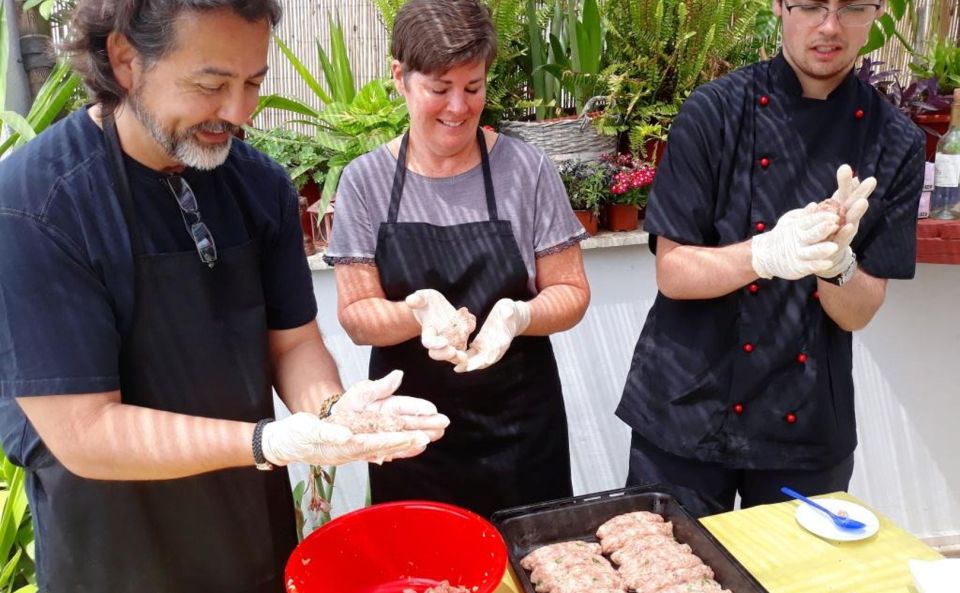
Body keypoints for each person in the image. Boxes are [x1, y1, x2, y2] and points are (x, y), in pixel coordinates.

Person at [0, 1, 451, 591]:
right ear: (126, 59)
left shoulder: (257, 182)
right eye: (211, 84)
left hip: (251, 539)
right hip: (115, 556)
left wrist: (331, 413)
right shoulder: (38, 203)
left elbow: (292, 344)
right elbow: (84, 431)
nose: (238, 111)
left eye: (254, 83)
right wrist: (268, 440)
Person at [616, 0, 924, 518]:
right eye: (810, 6)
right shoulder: (714, 111)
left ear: (878, 11)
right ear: (780, 6)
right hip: (687, 405)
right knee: (668, 571)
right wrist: (764, 254)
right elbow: (673, 272)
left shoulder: (895, 141)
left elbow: (859, 311)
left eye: (851, 8)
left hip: (804, 425)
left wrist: (836, 265)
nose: (829, 26)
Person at [323, 0, 591, 518]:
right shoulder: (366, 181)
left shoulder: (526, 170)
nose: (458, 108)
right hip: (411, 435)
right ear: (400, 78)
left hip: (520, 433)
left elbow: (572, 292)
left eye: (473, 88)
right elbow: (357, 316)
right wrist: (416, 312)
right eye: (439, 89)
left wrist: (520, 314)